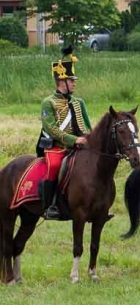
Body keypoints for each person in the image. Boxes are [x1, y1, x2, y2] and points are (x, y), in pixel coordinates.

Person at [39, 46, 91, 220]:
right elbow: (52, 129)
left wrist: (89, 139)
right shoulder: (48, 103)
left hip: (78, 146)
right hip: (56, 147)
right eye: (72, 81)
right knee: (54, 167)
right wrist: (75, 140)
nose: (74, 83)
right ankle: (50, 206)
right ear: (62, 82)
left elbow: (86, 126)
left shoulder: (79, 102)